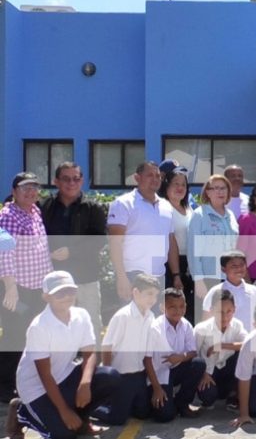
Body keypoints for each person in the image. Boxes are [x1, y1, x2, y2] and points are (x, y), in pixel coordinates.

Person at [7, 271, 119, 439]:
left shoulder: (82, 315)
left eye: (70, 291)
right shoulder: (39, 326)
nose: (67, 296)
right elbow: (45, 376)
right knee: (64, 435)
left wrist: (85, 384)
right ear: (46, 297)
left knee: (110, 376)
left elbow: (89, 354)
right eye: (59, 293)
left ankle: (82, 420)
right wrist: (64, 411)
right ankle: (22, 411)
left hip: (64, 376)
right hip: (37, 389)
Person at [39, 162, 108, 341]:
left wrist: (72, 252)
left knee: (90, 327)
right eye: (66, 179)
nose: (71, 183)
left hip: (86, 279)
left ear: (82, 181)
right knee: (56, 329)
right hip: (54, 280)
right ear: (56, 181)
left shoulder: (93, 208)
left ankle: (92, 368)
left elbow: (100, 240)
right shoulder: (44, 207)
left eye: (76, 179)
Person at [0, 172, 53, 402]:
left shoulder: (35, 211)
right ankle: (5, 387)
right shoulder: (8, 215)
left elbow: (41, 250)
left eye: (34, 187)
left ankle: (24, 381)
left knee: (32, 334)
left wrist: (49, 284)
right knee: (15, 336)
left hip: (36, 286)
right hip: (17, 289)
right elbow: (4, 253)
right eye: (25, 188)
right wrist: (10, 288)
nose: (31, 192)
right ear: (14, 192)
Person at [107, 161, 179, 302]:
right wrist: (121, 278)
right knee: (133, 323)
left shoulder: (166, 207)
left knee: (156, 323)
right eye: (150, 175)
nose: (155, 179)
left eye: (158, 176)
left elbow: (170, 242)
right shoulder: (123, 204)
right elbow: (115, 243)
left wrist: (176, 275)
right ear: (137, 178)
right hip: (132, 277)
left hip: (159, 276)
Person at [94, 273, 159, 425]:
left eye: (155, 295)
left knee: (143, 413)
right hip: (120, 375)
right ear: (136, 293)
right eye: (149, 294)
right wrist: (108, 375)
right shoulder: (123, 316)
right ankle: (93, 406)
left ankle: (120, 403)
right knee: (117, 419)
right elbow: (107, 346)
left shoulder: (150, 317)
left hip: (138, 374)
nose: (153, 299)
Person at [144, 288, 206, 421]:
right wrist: (157, 389)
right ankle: (159, 400)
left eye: (181, 306)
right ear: (162, 307)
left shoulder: (186, 325)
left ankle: (182, 404)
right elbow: (147, 360)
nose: (178, 311)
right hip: (158, 375)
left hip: (177, 368)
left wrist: (181, 357)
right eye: (172, 307)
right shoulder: (155, 328)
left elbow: (193, 351)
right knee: (165, 416)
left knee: (198, 364)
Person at [187, 174, 239, 309]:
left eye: (223, 188)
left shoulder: (231, 215)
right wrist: (198, 280)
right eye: (215, 188)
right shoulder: (199, 215)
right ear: (207, 192)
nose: (220, 191)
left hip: (228, 278)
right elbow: (193, 250)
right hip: (208, 278)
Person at [195, 289, 248, 408]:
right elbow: (193, 355)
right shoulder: (201, 329)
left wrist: (222, 345)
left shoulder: (237, 325)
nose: (224, 316)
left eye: (229, 311)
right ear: (212, 310)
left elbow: (248, 344)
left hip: (227, 370)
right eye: (220, 311)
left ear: (234, 309)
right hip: (209, 372)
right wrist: (203, 374)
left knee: (243, 354)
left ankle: (234, 394)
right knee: (208, 398)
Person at [158, 166, 194, 323]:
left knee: (188, 308)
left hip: (190, 263)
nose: (180, 188)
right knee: (172, 309)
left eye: (183, 185)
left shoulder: (188, 208)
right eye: (175, 184)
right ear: (166, 186)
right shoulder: (163, 208)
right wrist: (176, 274)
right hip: (171, 264)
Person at [202, 251, 256, 332]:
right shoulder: (216, 291)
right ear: (223, 269)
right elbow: (206, 319)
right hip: (224, 340)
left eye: (242, 265)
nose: (239, 269)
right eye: (234, 266)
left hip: (250, 340)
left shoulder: (254, 290)